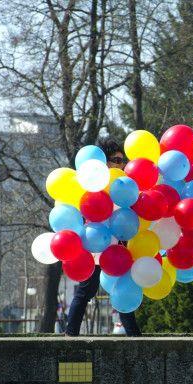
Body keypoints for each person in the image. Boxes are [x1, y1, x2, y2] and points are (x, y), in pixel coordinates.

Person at [65, 138, 141, 337]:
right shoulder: (93, 185)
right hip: (95, 246)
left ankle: (136, 338)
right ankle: (69, 336)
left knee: (121, 290)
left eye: (122, 160)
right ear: (104, 162)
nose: (121, 164)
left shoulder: (122, 185)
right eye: (116, 160)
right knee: (85, 292)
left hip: (115, 248)